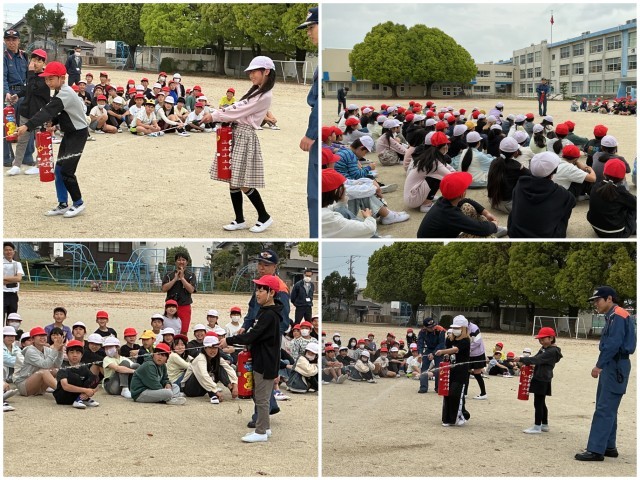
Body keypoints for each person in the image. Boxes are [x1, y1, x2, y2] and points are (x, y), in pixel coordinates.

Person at [209, 56, 277, 234]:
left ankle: (264, 216)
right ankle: (239, 219)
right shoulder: (256, 90)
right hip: (236, 133)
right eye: (250, 72)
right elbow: (239, 105)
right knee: (232, 179)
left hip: (245, 135)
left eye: (254, 71)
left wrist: (215, 115)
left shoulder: (264, 95)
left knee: (241, 181)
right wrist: (219, 112)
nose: (251, 75)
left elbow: (240, 110)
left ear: (266, 71)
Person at [15, 61, 89, 218]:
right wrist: (53, 122)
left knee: (67, 171)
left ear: (62, 78)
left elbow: (47, 111)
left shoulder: (65, 93)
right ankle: (63, 204)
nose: (48, 82)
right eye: (46, 79)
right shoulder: (59, 91)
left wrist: (26, 126)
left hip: (78, 134)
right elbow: (60, 112)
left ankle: (78, 203)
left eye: (51, 79)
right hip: (69, 134)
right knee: (59, 170)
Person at [575, 286, 636, 461]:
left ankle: (596, 450)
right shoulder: (614, 315)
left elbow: (613, 344)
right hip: (614, 363)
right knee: (608, 406)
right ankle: (609, 446)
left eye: (598, 300)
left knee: (604, 408)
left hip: (615, 363)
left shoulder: (618, 315)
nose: (595, 303)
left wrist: (599, 365)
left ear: (609, 298)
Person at [221, 275, 283, 443]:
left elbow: (252, 336)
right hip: (261, 359)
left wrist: (229, 340)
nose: (257, 293)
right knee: (259, 395)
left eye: (262, 290)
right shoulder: (265, 312)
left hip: (265, 362)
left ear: (271, 293)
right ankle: (266, 428)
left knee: (262, 398)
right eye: (257, 290)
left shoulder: (269, 315)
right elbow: (255, 337)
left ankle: (261, 431)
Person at [508, 152, 576, 238]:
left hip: (516, 234)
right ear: (554, 171)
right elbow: (572, 202)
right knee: (566, 205)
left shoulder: (520, 183)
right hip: (547, 237)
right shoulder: (560, 192)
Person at [417, 172, 501, 238]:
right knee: (485, 235)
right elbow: (483, 230)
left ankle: (493, 228)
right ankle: (494, 230)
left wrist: (486, 213)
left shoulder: (443, 201)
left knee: (467, 206)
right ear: (462, 194)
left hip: (442, 234)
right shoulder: (451, 214)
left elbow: (466, 200)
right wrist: (494, 224)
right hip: (441, 239)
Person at [6, 48, 49, 176]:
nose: (35, 63)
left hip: (38, 114)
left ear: (44, 63)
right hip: (26, 112)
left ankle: (39, 165)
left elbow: (34, 88)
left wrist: (30, 72)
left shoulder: (46, 78)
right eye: (34, 60)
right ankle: (16, 165)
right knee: (22, 140)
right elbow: (27, 89)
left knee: (39, 141)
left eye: (39, 61)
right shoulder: (31, 76)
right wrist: (17, 95)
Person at [513, 327, 562, 434]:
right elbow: (535, 358)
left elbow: (537, 359)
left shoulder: (552, 351)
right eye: (540, 339)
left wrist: (521, 359)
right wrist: (522, 362)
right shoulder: (544, 348)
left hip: (542, 378)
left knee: (538, 402)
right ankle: (544, 424)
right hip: (539, 376)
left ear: (551, 338)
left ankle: (537, 426)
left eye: (543, 339)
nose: (541, 341)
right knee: (541, 402)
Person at [297, 7, 319, 238]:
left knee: (315, 194)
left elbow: (318, 103)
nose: (308, 32)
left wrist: (311, 133)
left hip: (318, 136)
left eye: (312, 27)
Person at [4, 29, 35, 168]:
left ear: (18, 41)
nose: (11, 42)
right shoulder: (4, 57)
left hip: (23, 94)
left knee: (28, 124)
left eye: (14, 39)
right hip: (9, 94)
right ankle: (7, 156)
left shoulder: (24, 56)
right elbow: (3, 77)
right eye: (8, 39)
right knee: (7, 126)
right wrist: (6, 93)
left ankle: (27, 156)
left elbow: (29, 76)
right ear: (5, 41)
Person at [587, 159, 637, 238]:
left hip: (596, 227)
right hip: (616, 233)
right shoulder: (621, 192)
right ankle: (633, 229)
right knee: (633, 207)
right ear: (623, 177)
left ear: (603, 173)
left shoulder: (596, 186)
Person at [436, 316, 471, 426]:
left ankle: (457, 417)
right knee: (447, 394)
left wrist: (443, 351)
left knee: (456, 394)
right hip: (449, 370)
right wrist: (445, 356)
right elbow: (448, 352)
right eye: (454, 328)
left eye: (457, 328)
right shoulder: (449, 339)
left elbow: (455, 350)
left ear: (463, 329)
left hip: (461, 372)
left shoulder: (466, 341)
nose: (455, 330)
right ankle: (447, 419)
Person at [181, 335, 237, 403]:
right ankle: (212, 394)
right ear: (205, 348)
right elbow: (203, 375)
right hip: (190, 389)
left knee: (220, 367)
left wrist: (235, 385)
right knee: (200, 373)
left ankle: (230, 388)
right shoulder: (200, 358)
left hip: (204, 389)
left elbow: (229, 369)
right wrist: (215, 390)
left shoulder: (217, 358)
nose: (213, 350)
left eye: (215, 348)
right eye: (210, 348)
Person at [13, 326, 63, 396]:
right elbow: (45, 365)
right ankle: (63, 391)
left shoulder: (47, 349)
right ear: (32, 339)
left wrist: (60, 352)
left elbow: (57, 365)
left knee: (56, 370)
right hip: (24, 385)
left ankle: (66, 389)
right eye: (39, 335)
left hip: (37, 386)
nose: (43, 337)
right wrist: (55, 349)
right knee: (44, 372)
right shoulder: (30, 351)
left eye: (44, 335)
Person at [53, 340, 100, 409]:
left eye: (78, 352)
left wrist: (91, 392)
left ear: (81, 355)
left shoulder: (83, 367)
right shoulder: (63, 367)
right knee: (75, 377)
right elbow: (65, 386)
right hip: (64, 397)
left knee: (95, 378)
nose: (75, 355)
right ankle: (79, 399)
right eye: (72, 352)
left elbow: (96, 383)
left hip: (77, 394)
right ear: (67, 354)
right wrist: (85, 390)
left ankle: (81, 398)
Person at [161, 252, 196, 335]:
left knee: (184, 330)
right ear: (175, 262)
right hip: (171, 305)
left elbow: (191, 290)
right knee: (168, 329)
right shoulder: (169, 275)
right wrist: (175, 279)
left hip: (184, 305)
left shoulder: (191, 275)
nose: (181, 262)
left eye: (183, 260)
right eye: (179, 260)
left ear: (187, 262)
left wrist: (182, 278)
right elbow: (164, 289)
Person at [417, 317, 445, 394]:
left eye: (433, 326)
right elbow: (420, 343)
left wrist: (433, 353)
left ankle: (438, 387)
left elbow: (442, 344)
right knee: (424, 367)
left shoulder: (441, 330)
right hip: (429, 349)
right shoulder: (422, 332)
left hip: (439, 349)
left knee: (438, 368)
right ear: (425, 327)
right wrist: (420, 353)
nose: (433, 328)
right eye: (430, 327)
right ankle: (423, 387)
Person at [3, 242, 24, 322]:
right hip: (3, 293)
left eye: (10, 250)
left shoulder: (17, 264)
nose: (8, 252)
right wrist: (13, 279)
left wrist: (4, 279)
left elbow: (18, 278)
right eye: (6, 250)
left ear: (14, 252)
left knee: (12, 319)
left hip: (13, 294)